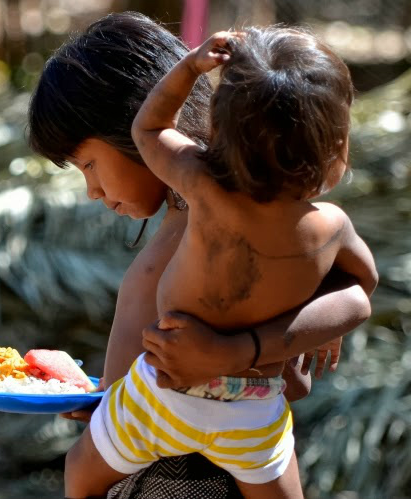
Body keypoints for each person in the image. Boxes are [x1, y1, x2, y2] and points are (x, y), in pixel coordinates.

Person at [27, 12, 374, 499]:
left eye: (89, 163)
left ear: (135, 123)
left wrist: (237, 353)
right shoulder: (190, 209)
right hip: (154, 437)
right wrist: (112, 402)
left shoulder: (219, 213)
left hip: (192, 479)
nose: (91, 190)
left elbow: (292, 379)